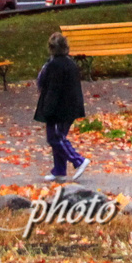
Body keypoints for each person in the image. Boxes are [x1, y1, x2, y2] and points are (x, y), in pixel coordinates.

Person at [35, 30, 88, 181]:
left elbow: (53, 89)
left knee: (56, 138)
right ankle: (59, 169)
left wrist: (47, 110)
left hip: (59, 110)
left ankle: (78, 160)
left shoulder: (54, 65)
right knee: (58, 137)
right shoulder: (69, 63)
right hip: (70, 107)